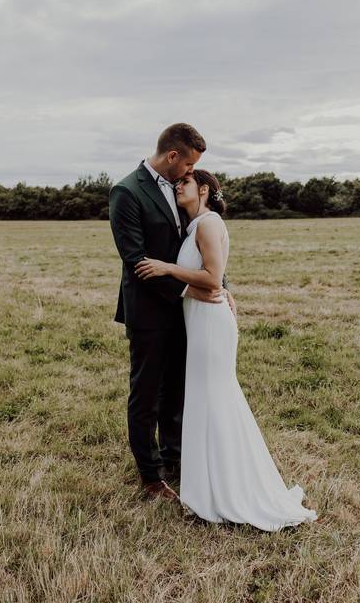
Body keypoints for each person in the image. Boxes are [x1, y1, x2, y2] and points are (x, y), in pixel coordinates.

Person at [135, 170, 317, 531]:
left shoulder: (207, 224)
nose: (177, 188)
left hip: (211, 323)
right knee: (205, 399)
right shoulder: (195, 226)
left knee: (216, 398)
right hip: (200, 321)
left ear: (203, 190)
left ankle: (232, 489)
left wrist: (166, 268)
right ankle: (210, 487)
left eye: (184, 184)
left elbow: (213, 279)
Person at [108, 123, 234, 501]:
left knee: (176, 390)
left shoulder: (185, 194)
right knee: (145, 394)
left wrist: (221, 287)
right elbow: (137, 261)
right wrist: (190, 288)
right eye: (189, 164)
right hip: (148, 312)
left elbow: (201, 246)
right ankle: (150, 476)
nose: (190, 173)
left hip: (186, 312)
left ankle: (176, 458)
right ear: (173, 156)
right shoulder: (127, 191)